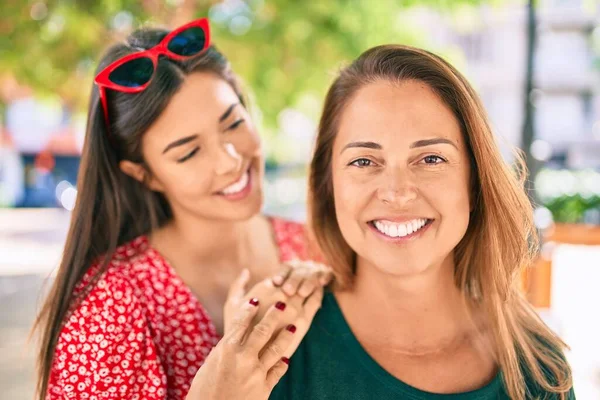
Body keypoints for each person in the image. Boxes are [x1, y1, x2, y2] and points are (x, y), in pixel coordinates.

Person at [32, 18, 328, 400]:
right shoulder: (112, 307)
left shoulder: (310, 246)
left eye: (234, 122)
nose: (229, 160)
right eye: (189, 152)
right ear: (144, 174)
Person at [269, 45, 575, 400]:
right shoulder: (277, 351)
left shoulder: (539, 368)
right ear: (328, 185)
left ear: (475, 181)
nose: (397, 192)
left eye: (430, 158)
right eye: (364, 161)